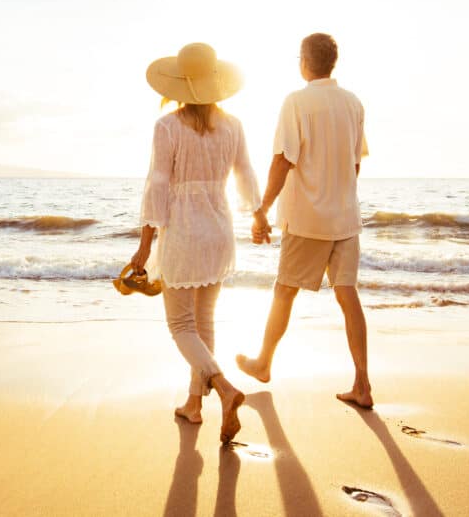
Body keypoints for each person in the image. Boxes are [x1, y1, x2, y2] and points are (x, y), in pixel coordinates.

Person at [130, 42, 262, 443]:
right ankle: (194, 404)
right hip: (219, 229)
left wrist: (145, 243)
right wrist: (257, 214)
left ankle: (223, 387)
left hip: (185, 231)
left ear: (181, 85)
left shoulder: (167, 127)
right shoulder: (233, 125)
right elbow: (245, 173)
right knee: (203, 321)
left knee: (181, 325)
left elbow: (158, 185)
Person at [236, 33, 373, 408]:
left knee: (285, 291)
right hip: (345, 218)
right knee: (348, 296)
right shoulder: (353, 104)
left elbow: (283, 160)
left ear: (304, 62)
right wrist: (339, 196)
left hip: (308, 218)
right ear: (332, 62)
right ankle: (362, 384)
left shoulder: (296, 102)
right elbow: (355, 163)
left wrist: (262, 208)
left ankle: (263, 362)